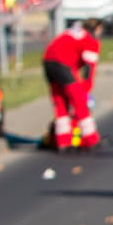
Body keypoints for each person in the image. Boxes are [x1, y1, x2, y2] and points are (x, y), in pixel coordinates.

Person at [42, 18, 102, 150]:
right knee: (79, 102)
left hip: (48, 62)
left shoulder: (73, 32)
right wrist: (86, 90)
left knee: (59, 102)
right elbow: (89, 70)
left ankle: (63, 140)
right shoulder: (91, 41)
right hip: (63, 63)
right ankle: (91, 139)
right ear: (97, 29)